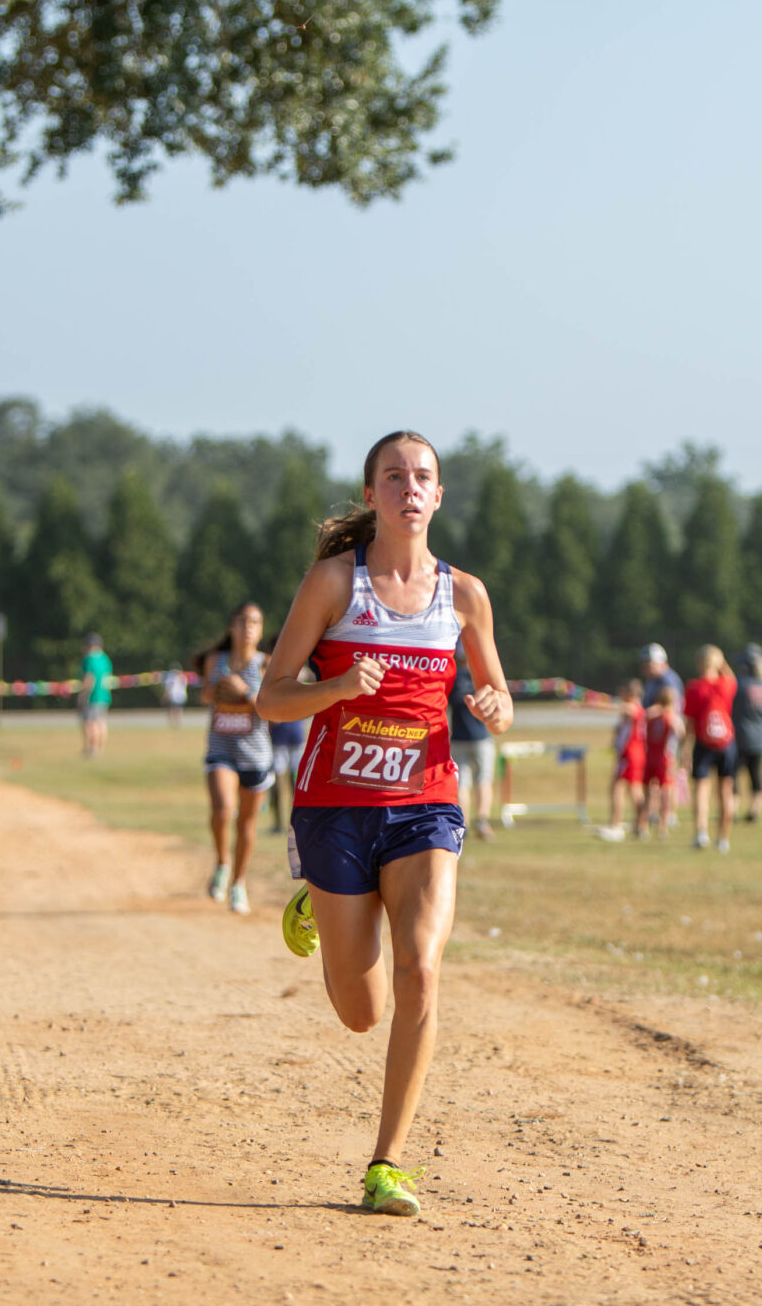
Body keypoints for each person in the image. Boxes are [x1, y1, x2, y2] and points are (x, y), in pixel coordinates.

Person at [256, 430, 511, 1219]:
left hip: (426, 804)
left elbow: (499, 694)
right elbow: (269, 694)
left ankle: (386, 1165)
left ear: (438, 497)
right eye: (394, 475)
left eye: (423, 476)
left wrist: (495, 706)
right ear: (372, 496)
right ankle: (322, 906)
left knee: (421, 972)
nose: (410, 486)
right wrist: (335, 690)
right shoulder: (335, 583)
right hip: (336, 806)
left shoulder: (464, 595)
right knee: (360, 1012)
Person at [197, 604, 272, 916]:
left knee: (246, 823)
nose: (248, 627)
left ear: (261, 628)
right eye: (242, 621)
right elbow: (203, 697)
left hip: (255, 753)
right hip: (221, 749)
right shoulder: (217, 661)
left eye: (254, 621)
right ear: (231, 627)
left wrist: (245, 692)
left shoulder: (266, 663)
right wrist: (216, 689)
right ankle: (222, 863)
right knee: (223, 808)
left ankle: (239, 884)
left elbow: (273, 709)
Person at [682, 645, 738, 853]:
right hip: (727, 743)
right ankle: (723, 838)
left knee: (701, 791)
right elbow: (731, 678)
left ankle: (701, 833)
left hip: (703, 743)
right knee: (725, 792)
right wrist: (721, 663)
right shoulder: (726, 684)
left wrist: (685, 749)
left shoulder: (694, 687)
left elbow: (689, 722)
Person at [448, 652, 497, 840]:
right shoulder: (483, 678)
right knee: (483, 780)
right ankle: (482, 822)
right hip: (481, 737)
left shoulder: (452, 678)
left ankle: (464, 823)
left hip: (458, 737)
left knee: (462, 784)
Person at [731, 645, 762, 824]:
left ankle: (732, 808)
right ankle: (755, 808)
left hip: (740, 735)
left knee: (733, 773)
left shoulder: (740, 684)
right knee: (756, 773)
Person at [596, 679, 647, 842]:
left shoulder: (633, 708)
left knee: (617, 788)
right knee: (635, 791)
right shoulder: (638, 709)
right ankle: (641, 824)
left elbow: (610, 707)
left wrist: (582, 706)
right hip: (635, 754)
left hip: (630, 753)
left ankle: (616, 825)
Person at [641, 681, 681, 838]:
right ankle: (662, 826)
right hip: (665, 759)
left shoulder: (651, 715)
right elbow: (680, 732)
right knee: (665, 793)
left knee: (648, 792)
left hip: (650, 756)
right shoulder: (671, 718)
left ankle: (642, 824)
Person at [267, 709, 308, 836]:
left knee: (278, 780)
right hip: (295, 734)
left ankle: (279, 823)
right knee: (294, 780)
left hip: (281, 735)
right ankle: (295, 822)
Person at [77, 632, 114, 756]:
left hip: (92, 696)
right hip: (104, 695)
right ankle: (100, 748)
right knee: (101, 722)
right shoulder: (105, 659)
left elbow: (89, 678)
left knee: (90, 723)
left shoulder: (89, 659)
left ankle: (92, 748)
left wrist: (83, 694)